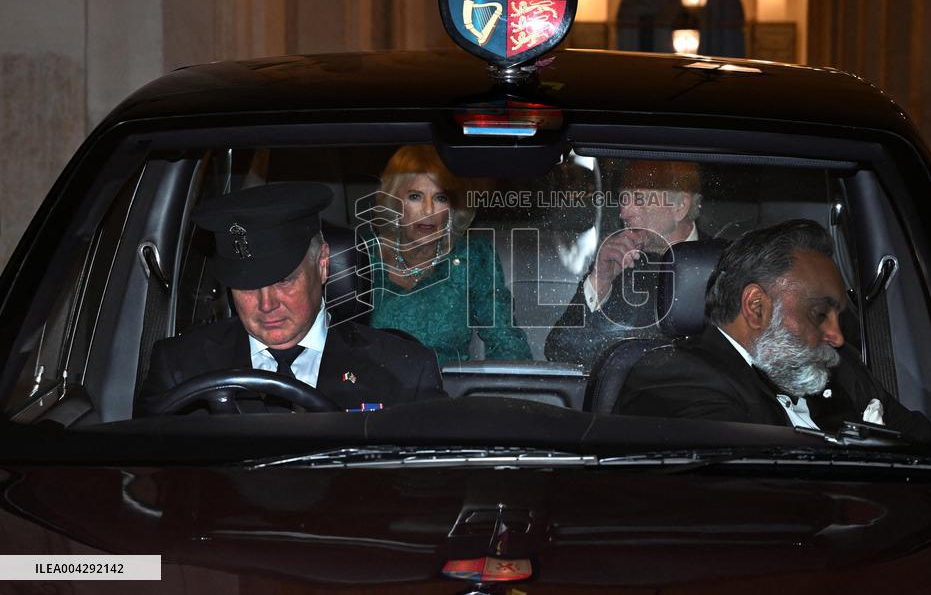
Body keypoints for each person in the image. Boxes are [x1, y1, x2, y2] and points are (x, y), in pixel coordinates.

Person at [615, 219, 931, 442]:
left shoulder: (841, 369)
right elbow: (742, 483)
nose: (838, 337)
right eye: (819, 313)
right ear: (757, 307)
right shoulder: (672, 377)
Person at [135, 182, 445, 416]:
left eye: (284, 281)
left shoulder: (403, 373)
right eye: (246, 287)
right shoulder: (180, 368)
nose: (267, 304)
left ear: (323, 264)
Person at [366, 145, 531, 364]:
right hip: (376, 393)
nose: (428, 210)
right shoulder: (364, 257)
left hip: (446, 393)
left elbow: (505, 341)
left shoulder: (472, 258)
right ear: (395, 203)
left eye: (440, 198)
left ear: (453, 208)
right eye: (415, 196)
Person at [544, 160, 702, 366]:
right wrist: (600, 281)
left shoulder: (725, 264)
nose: (623, 213)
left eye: (638, 198)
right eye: (623, 198)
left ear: (680, 206)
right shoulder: (621, 264)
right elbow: (559, 352)